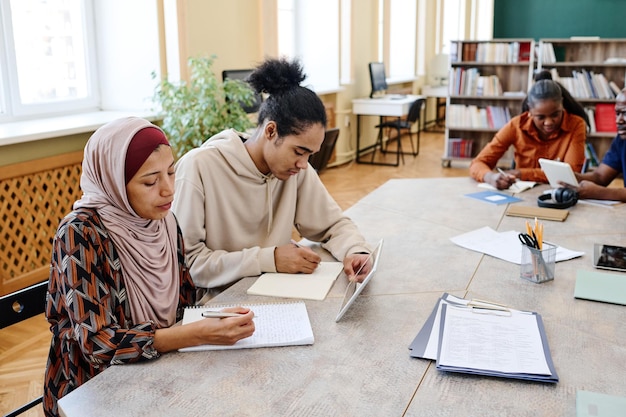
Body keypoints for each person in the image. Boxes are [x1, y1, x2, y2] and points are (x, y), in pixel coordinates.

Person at [43, 117, 255, 417]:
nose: (169, 190)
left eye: (171, 172)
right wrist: (197, 334)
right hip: (93, 387)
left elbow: (184, 301)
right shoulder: (81, 233)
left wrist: (215, 319)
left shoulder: (164, 221)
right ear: (114, 182)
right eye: (150, 181)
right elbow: (98, 344)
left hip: (163, 370)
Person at [172, 58, 372, 298]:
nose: (303, 164)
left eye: (310, 154)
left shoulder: (296, 171)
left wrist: (355, 250)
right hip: (221, 304)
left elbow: (332, 225)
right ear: (270, 131)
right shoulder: (199, 167)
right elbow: (189, 264)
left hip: (277, 292)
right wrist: (270, 258)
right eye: (299, 151)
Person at [469, 77, 587, 190]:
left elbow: (569, 174)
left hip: (559, 193)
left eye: (555, 114)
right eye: (540, 117)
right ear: (530, 110)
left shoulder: (576, 125)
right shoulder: (516, 125)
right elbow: (478, 163)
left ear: (562, 104)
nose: (548, 122)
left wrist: (521, 173)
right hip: (520, 193)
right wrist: (490, 177)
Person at [565, 89, 626, 202]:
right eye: (617, 113)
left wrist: (600, 193)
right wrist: (572, 177)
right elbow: (600, 176)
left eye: (625, 113)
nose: (618, 121)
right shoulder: (621, 140)